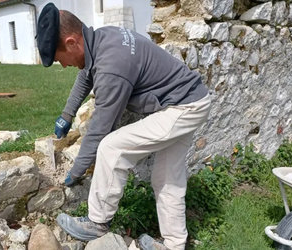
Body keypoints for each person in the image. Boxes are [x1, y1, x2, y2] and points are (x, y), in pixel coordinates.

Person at [36, 3, 211, 250]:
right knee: (167, 179)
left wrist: (76, 172)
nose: (63, 65)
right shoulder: (102, 38)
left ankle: (97, 222)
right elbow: (85, 75)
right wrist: (67, 114)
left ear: (73, 43)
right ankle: (174, 245)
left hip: (183, 108)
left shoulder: (113, 66)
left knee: (112, 147)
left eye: (58, 58)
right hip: (191, 99)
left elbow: (99, 128)